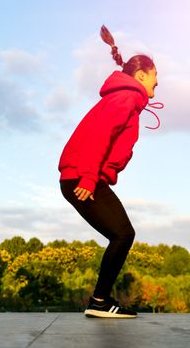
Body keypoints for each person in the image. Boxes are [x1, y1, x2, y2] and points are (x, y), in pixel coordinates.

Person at [58, 25, 162, 318]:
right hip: (82, 177)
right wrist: (90, 178)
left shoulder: (126, 99)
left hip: (81, 176)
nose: (158, 84)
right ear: (141, 75)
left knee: (121, 234)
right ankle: (100, 302)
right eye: (155, 77)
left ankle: (100, 301)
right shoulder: (126, 98)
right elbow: (99, 136)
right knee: (123, 234)